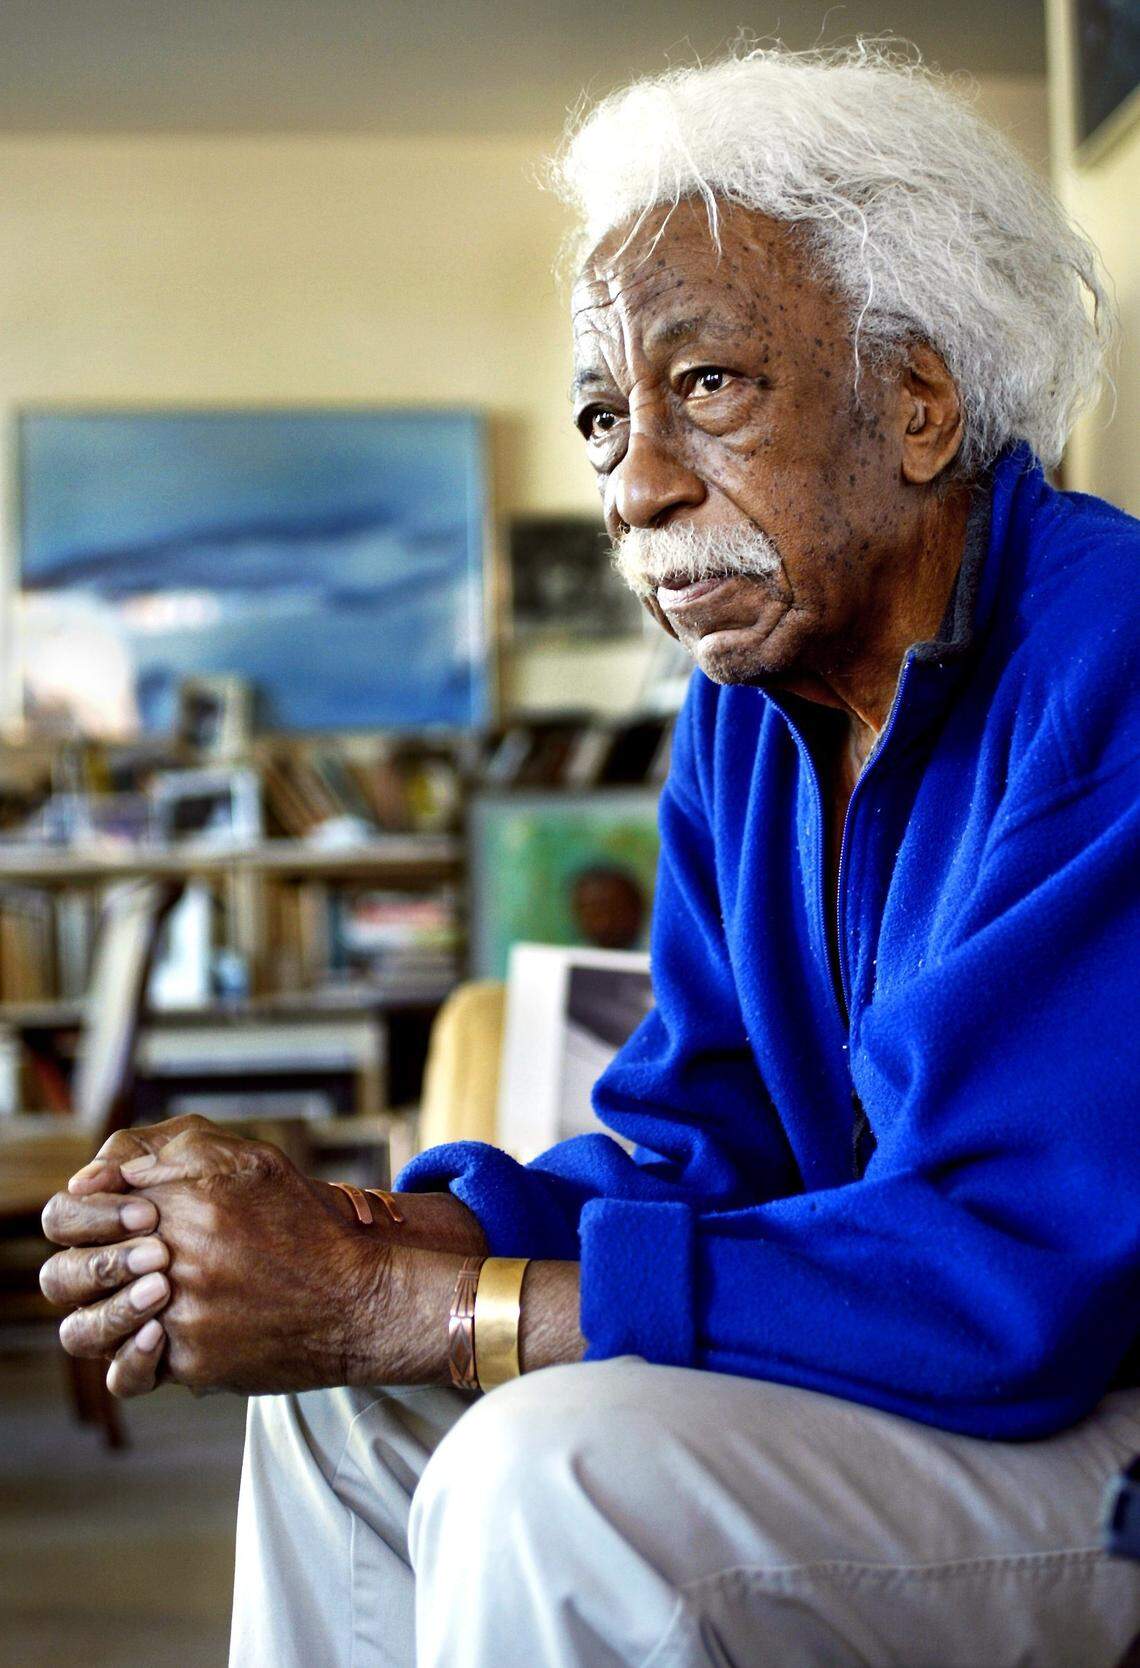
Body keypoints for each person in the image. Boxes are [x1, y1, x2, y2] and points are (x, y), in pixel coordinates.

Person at [39, 45, 1140, 1668]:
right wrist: (356, 1235)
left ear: (920, 402)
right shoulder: (753, 715)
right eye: (604, 415)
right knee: (340, 1417)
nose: (633, 488)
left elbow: (1014, 1284)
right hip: (941, 1352)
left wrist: (420, 1308)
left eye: (707, 389)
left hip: (1097, 1414)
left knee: (546, 1480)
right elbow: (701, 1149)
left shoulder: (1110, 665)